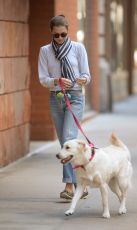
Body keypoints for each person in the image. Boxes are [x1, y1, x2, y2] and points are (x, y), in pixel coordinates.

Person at [38, 15, 91, 200]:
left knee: (69, 139)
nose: (59, 38)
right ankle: (81, 186)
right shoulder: (45, 51)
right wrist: (57, 81)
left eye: (63, 34)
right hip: (56, 97)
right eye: (56, 35)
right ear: (51, 33)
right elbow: (43, 78)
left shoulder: (78, 48)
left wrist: (83, 79)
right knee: (65, 145)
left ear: (68, 31)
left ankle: (69, 186)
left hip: (75, 97)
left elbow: (86, 74)